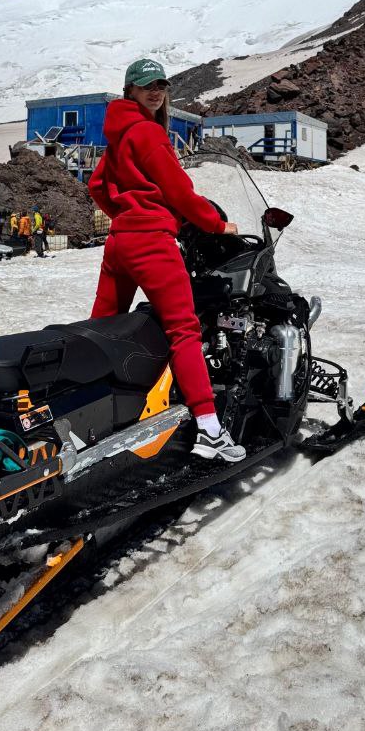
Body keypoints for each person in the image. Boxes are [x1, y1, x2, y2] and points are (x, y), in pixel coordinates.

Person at [88, 58, 246, 463]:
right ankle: (210, 430)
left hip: (120, 242)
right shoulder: (147, 133)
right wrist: (215, 224)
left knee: (102, 327)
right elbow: (178, 190)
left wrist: (124, 213)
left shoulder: (118, 134)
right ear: (130, 92)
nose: (155, 92)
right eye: (145, 87)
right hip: (152, 243)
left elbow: (97, 184)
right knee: (183, 331)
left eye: (160, 84)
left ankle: (89, 414)